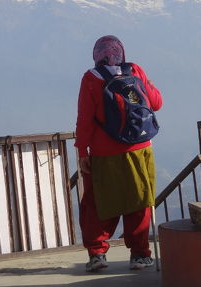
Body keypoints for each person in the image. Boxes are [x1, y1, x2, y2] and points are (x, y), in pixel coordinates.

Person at [75, 35, 162, 272]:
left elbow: (85, 119)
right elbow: (156, 103)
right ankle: (140, 255)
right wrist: (149, 83)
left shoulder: (91, 79)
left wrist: (82, 151)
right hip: (139, 149)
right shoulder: (135, 70)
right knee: (139, 201)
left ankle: (97, 253)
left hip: (104, 153)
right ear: (121, 52)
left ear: (96, 55)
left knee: (99, 202)